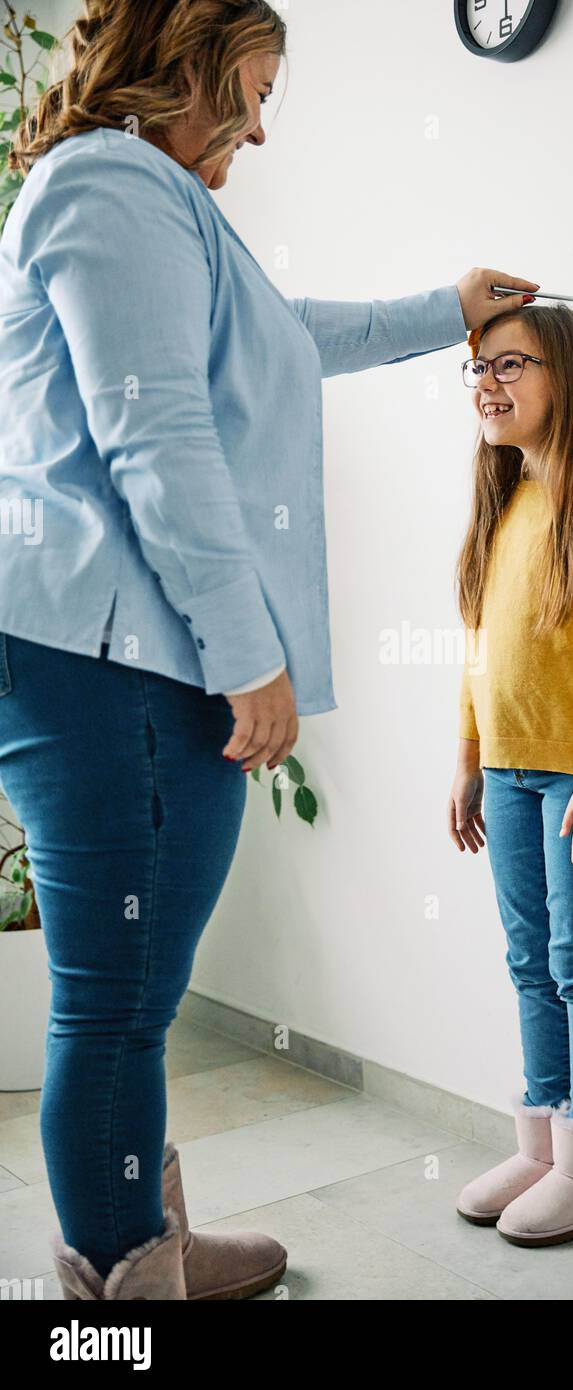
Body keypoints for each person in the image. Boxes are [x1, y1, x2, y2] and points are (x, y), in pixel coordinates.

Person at [0, 0, 538, 1300]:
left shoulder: (140, 198)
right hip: (112, 661)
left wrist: (443, 307)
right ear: (189, 60)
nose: (257, 122)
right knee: (119, 994)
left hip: (106, 656)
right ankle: (126, 1290)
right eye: (252, 86)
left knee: (131, 988)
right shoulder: (111, 188)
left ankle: (137, 1243)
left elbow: (277, 339)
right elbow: (158, 440)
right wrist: (252, 656)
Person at [447, 305, 573, 1247]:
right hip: (505, 770)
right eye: (478, 368)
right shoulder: (502, 504)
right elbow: (479, 653)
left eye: (510, 364)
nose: (487, 383)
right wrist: (465, 761)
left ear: (567, 379)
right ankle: (539, 1142)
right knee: (528, 960)